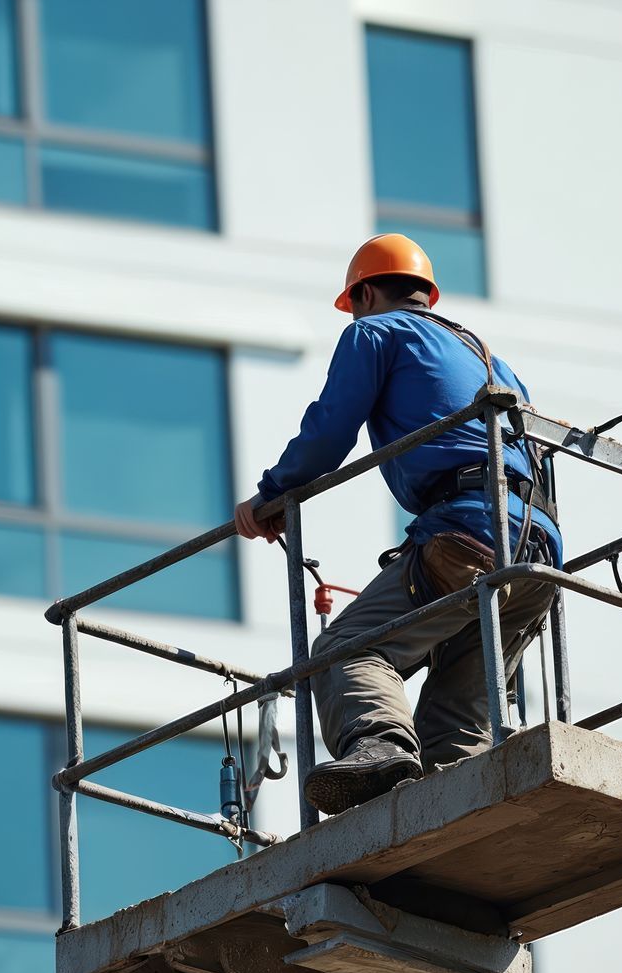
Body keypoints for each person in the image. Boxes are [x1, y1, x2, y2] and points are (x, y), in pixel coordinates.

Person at [232, 234, 562, 815]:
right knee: (457, 722)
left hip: (469, 533)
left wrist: (272, 496)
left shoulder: (373, 332)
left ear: (363, 294)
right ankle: (465, 811)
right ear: (426, 296)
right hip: (538, 552)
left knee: (340, 653)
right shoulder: (485, 353)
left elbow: (330, 428)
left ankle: (380, 745)